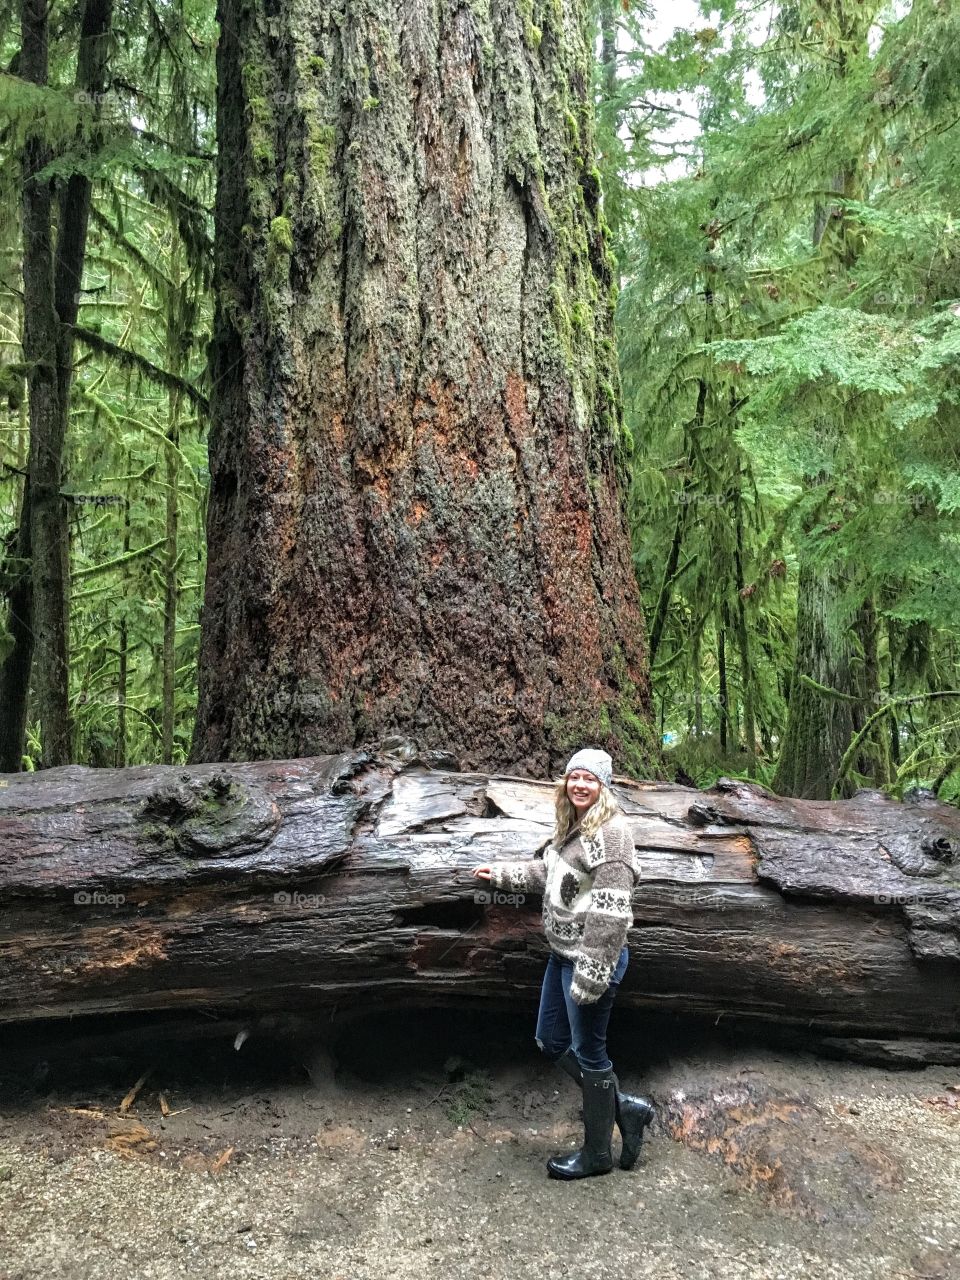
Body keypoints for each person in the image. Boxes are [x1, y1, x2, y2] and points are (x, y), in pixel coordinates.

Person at [472, 747, 655, 1180]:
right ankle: (624, 1109)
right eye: (574, 777)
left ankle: (597, 1155)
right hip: (561, 957)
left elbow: (612, 912)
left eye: (589, 779)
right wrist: (502, 875)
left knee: (591, 1053)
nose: (579, 785)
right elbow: (552, 875)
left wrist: (592, 975)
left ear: (604, 786)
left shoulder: (613, 835)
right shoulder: (574, 827)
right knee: (550, 1039)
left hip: (591, 964)